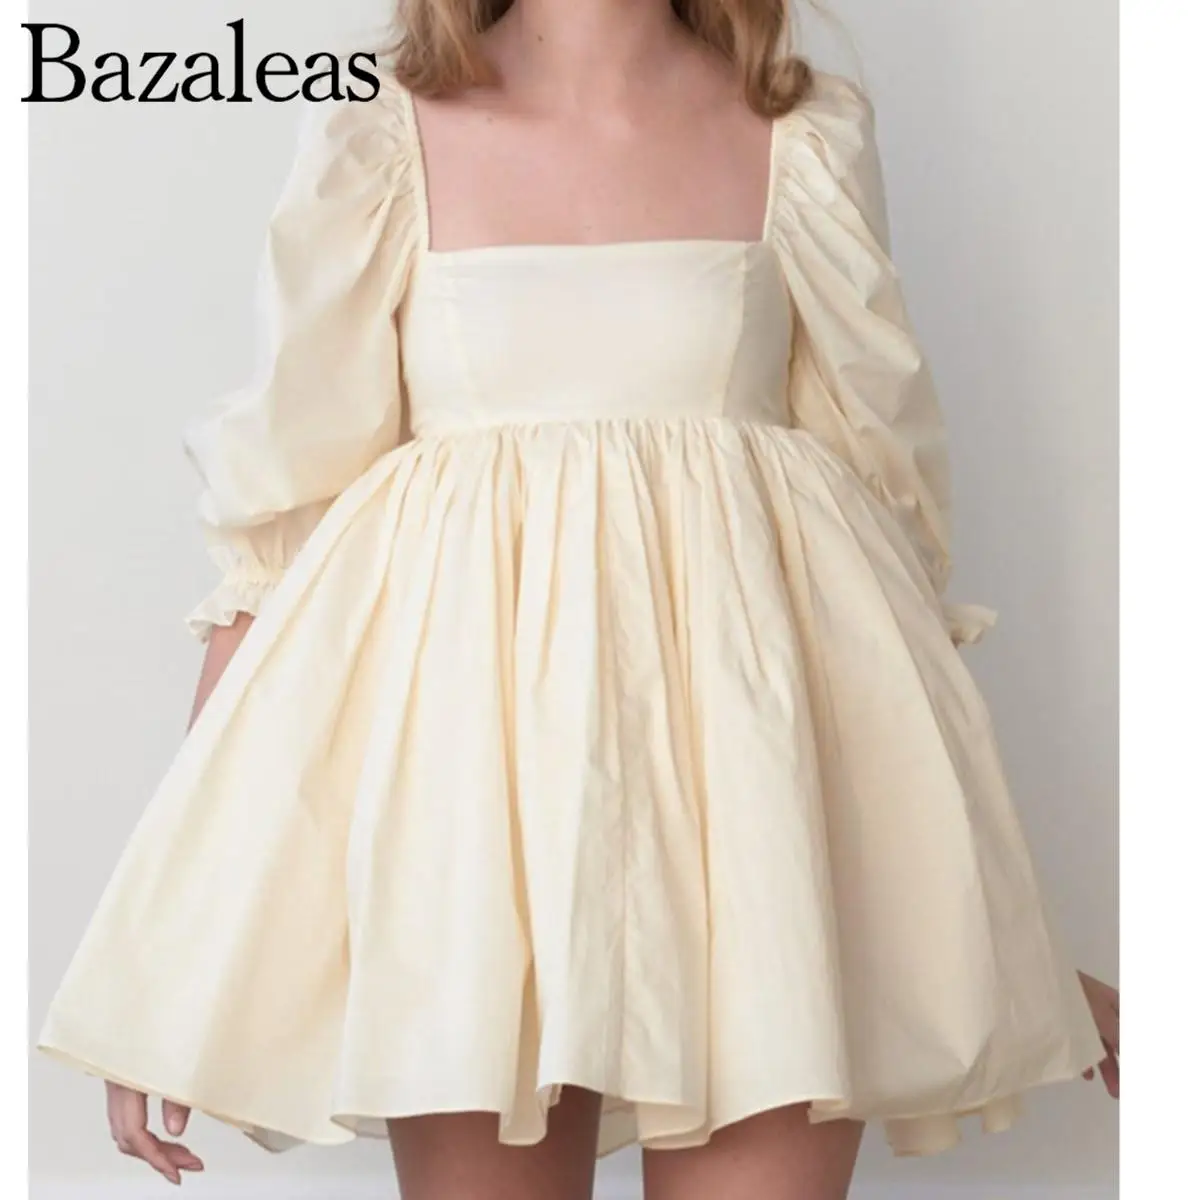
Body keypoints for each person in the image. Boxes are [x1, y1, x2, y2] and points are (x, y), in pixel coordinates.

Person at [37, 2, 1118, 1197]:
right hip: (465, 819)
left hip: (760, 823)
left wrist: (1002, 926)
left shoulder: (804, 136)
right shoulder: (382, 141)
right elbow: (277, 550)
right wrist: (172, 957)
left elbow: (877, 580)